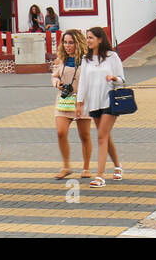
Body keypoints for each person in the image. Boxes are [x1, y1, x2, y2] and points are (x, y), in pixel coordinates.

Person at [77, 27, 125, 188]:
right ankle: (117, 166)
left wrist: (113, 77)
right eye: (87, 38)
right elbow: (83, 82)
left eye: (91, 37)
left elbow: (122, 79)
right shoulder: (86, 59)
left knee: (101, 137)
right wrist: (79, 103)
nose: (88, 40)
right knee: (105, 136)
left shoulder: (112, 57)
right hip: (93, 102)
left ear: (100, 39)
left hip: (110, 101)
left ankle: (100, 176)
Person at [51, 29, 92, 179]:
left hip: (82, 100)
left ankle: (86, 168)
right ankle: (66, 166)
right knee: (61, 133)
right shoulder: (61, 59)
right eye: (65, 42)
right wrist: (57, 83)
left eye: (71, 42)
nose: (67, 46)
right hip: (64, 98)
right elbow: (54, 76)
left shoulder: (87, 60)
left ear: (78, 43)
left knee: (85, 135)